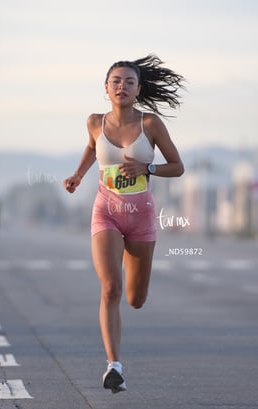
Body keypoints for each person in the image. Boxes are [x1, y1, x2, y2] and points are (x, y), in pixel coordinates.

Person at [63, 54, 185, 393]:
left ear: (138, 89)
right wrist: (78, 174)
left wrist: (148, 169)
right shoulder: (94, 122)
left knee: (135, 298)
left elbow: (177, 166)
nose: (122, 86)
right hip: (106, 212)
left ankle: (135, 300)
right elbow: (92, 147)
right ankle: (113, 366)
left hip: (142, 216)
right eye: (116, 81)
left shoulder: (151, 125)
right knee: (110, 288)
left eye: (129, 82)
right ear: (106, 88)